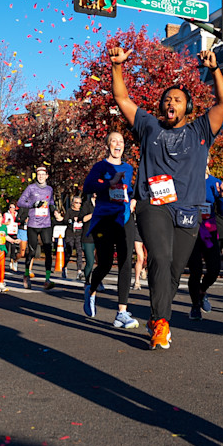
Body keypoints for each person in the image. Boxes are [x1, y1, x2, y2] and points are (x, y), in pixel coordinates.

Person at [109, 45, 223, 350]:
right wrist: (118, 66)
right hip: (154, 205)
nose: (170, 102)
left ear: (188, 107)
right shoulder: (149, 126)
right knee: (160, 259)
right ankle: (160, 323)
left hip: (188, 209)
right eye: (166, 100)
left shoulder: (202, 128)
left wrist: (214, 69)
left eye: (177, 99)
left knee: (174, 271)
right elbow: (122, 98)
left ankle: (158, 313)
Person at [81, 131, 138, 329]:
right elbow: (87, 186)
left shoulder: (129, 168)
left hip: (124, 219)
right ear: (108, 145)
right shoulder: (100, 166)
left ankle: (121, 312)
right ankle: (91, 288)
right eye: (113, 141)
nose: (117, 144)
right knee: (104, 264)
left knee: (125, 263)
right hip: (104, 219)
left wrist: (134, 200)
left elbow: (131, 190)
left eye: (121, 141)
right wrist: (109, 183)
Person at [186, 169, 223, 319]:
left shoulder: (215, 182)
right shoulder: (188, 179)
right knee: (195, 271)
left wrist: (222, 195)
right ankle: (195, 306)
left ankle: (202, 291)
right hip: (192, 232)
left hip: (209, 232)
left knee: (214, 269)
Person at [17, 167, 55, 289]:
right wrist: (32, 205)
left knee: (48, 251)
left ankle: (47, 279)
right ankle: (26, 275)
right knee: (32, 251)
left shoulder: (50, 189)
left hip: (46, 224)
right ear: (36, 176)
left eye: (43, 174)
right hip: (33, 224)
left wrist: (55, 211)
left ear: (47, 176)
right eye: (39, 174)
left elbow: (52, 202)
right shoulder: (31, 188)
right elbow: (20, 202)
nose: (41, 176)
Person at [62, 195, 86, 280]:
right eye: (77, 203)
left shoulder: (82, 211)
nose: (78, 204)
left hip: (79, 234)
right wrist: (72, 220)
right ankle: (64, 267)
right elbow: (65, 221)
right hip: (70, 234)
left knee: (79, 252)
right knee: (69, 251)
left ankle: (79, 271)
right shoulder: (69, 211)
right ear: (73, 203)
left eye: (80, 203)